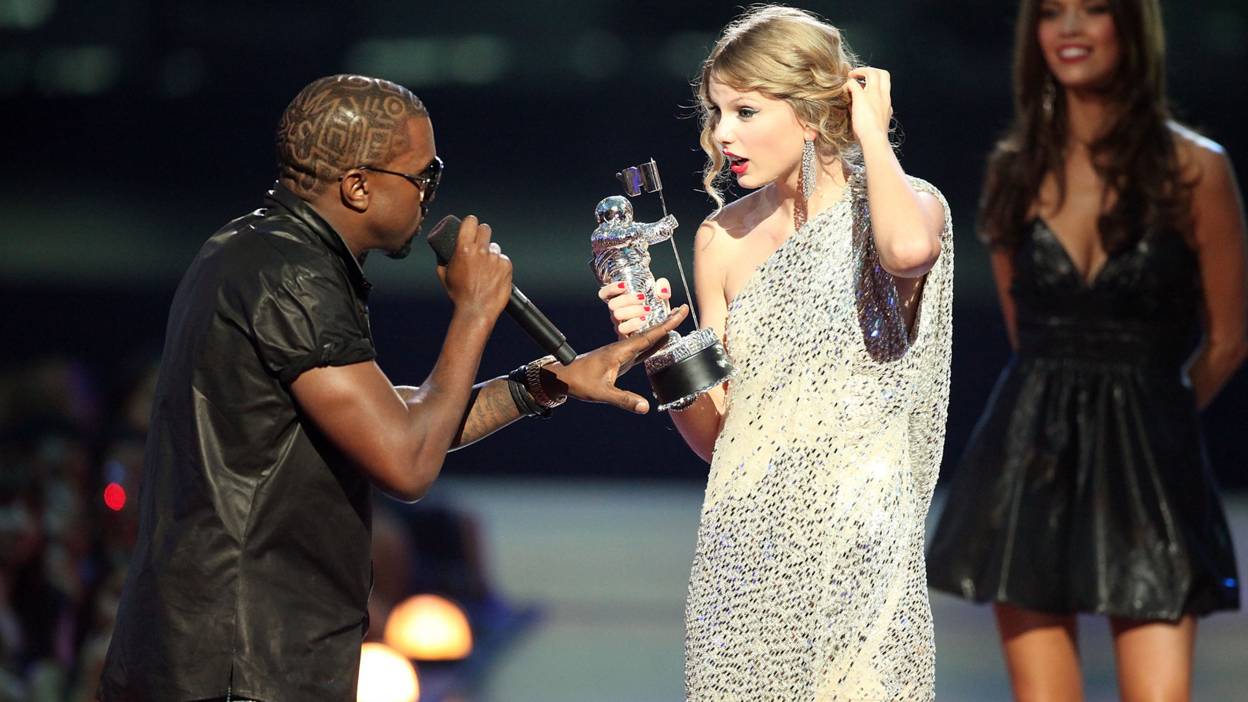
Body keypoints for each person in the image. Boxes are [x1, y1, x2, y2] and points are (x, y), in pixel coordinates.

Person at [96, 74, 689, 702]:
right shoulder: (291, 274)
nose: (433, 195)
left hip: (229, 657)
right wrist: (474, 311)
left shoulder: (257, 252)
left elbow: (397, 415)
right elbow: (406, 460)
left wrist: (543, 383)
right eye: (423, 177)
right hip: (241, 663)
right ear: (357, 186)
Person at [599, 6, 952, 699]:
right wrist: (658, 345)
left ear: (812, 110)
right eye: (716, 112)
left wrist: (870, 132)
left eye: (746, 111)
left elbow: (908, 253)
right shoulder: (719, 240)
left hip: (863, 545)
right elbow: (719, 436)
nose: (722, 134)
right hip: (746, 550)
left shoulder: (908, 208)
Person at [926, 0, 1246, 699]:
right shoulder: (1012, 171)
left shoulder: (1196, 169)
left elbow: (1226, 340)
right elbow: (1024, 334)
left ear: (1130, 28)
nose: (1069, 28)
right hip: (1031, 455)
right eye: (1051, 13)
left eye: (1093, 10)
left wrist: (1158, 421)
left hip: (1151, 467)